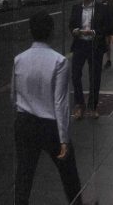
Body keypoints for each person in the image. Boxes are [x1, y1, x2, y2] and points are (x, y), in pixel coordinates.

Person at [12, 11, 83, 205]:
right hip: (50, 126)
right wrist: (64, 138)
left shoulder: (19, 59)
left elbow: (13, 95)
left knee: (24, 173)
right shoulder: (59, 61)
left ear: (31, 32)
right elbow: (60, 103)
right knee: (68, 172)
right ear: (51, 31)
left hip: (25, 122)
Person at [69, 0, 109, 120]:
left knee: (94, 77)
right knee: (75, 75)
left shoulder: (101, 8)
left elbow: (106, 27)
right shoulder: (76, 8)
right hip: (80, 44)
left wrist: (93, 32)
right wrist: (75, 31)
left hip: (94, 45)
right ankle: (79, 105)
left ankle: (92, 106)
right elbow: (71, 25)